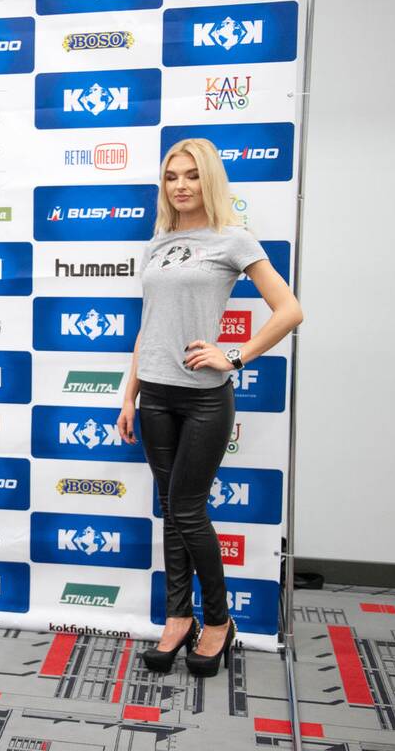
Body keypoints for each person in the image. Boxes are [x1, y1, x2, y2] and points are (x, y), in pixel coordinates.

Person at [117, 138, 302, 677]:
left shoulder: (233, 239)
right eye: (172, 176)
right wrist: (129, 393)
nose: (181, 185)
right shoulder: (158, 243)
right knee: (171, 510)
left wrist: (235, 356)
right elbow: (150, 325)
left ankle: (218, 621)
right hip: (155, 396)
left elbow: (289, 309)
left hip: (203, 399)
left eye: (192, 175)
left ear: (210, 180)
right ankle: (178, 618)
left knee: (187, 510)